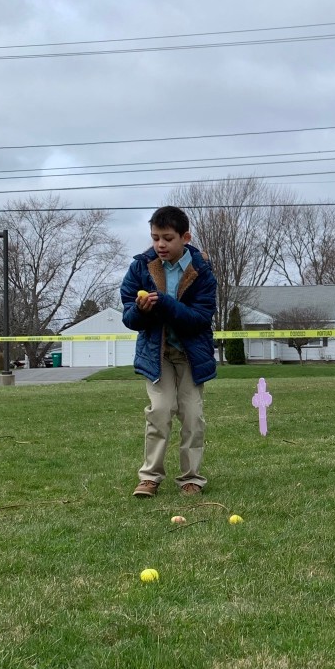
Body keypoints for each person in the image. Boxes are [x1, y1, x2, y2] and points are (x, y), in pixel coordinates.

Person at [121, 206, 218, 497]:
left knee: (192, 416)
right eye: (155, 238)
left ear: (185, 237)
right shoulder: (141, 267)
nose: (160, 245)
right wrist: (141, 311)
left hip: (191, 356)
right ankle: (150, 477)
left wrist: (164, 303)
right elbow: (129, 317)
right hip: (157, 355)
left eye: (167, 238)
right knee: (160, 412)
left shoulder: (201, 271)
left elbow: (200, 318)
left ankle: (191, 478)